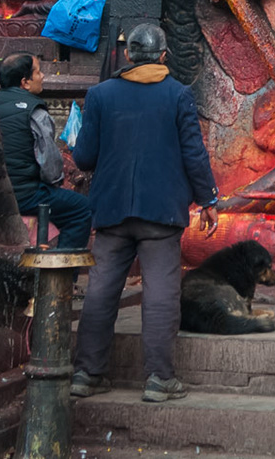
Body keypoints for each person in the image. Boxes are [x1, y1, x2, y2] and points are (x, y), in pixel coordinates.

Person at [70, 24, 218, 405]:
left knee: (101, 290)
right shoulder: (178, 95)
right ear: (164, 55)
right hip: (161, 212)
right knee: (161, 292)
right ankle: (159, 379)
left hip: (112, 209)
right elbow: (194, 154)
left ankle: (88, 374)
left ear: (129, 56)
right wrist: (208, 199)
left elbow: (84, 157)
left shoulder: (100, 95)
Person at [0, 54, 92, 250]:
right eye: (38, 72)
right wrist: (54, 183)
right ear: (25, 82)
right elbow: (50, 167)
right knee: (81, 209)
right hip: (25, 195)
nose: (43, 76)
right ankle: (61, 276)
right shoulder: (35, 111)